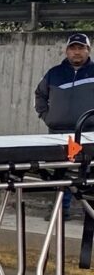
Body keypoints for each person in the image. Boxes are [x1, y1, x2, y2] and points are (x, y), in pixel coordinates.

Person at [35, 32, 94, 221]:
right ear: (67, 51)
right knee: (61, 172)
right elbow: (40, 95)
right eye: (73, 48)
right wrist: (47, 117)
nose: (77, 52)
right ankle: (61, 210)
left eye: (81, 48)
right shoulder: (54, 73)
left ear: (88, 50)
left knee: (90, 171)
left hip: (89, 131)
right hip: (59, 131)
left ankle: (90, 214)